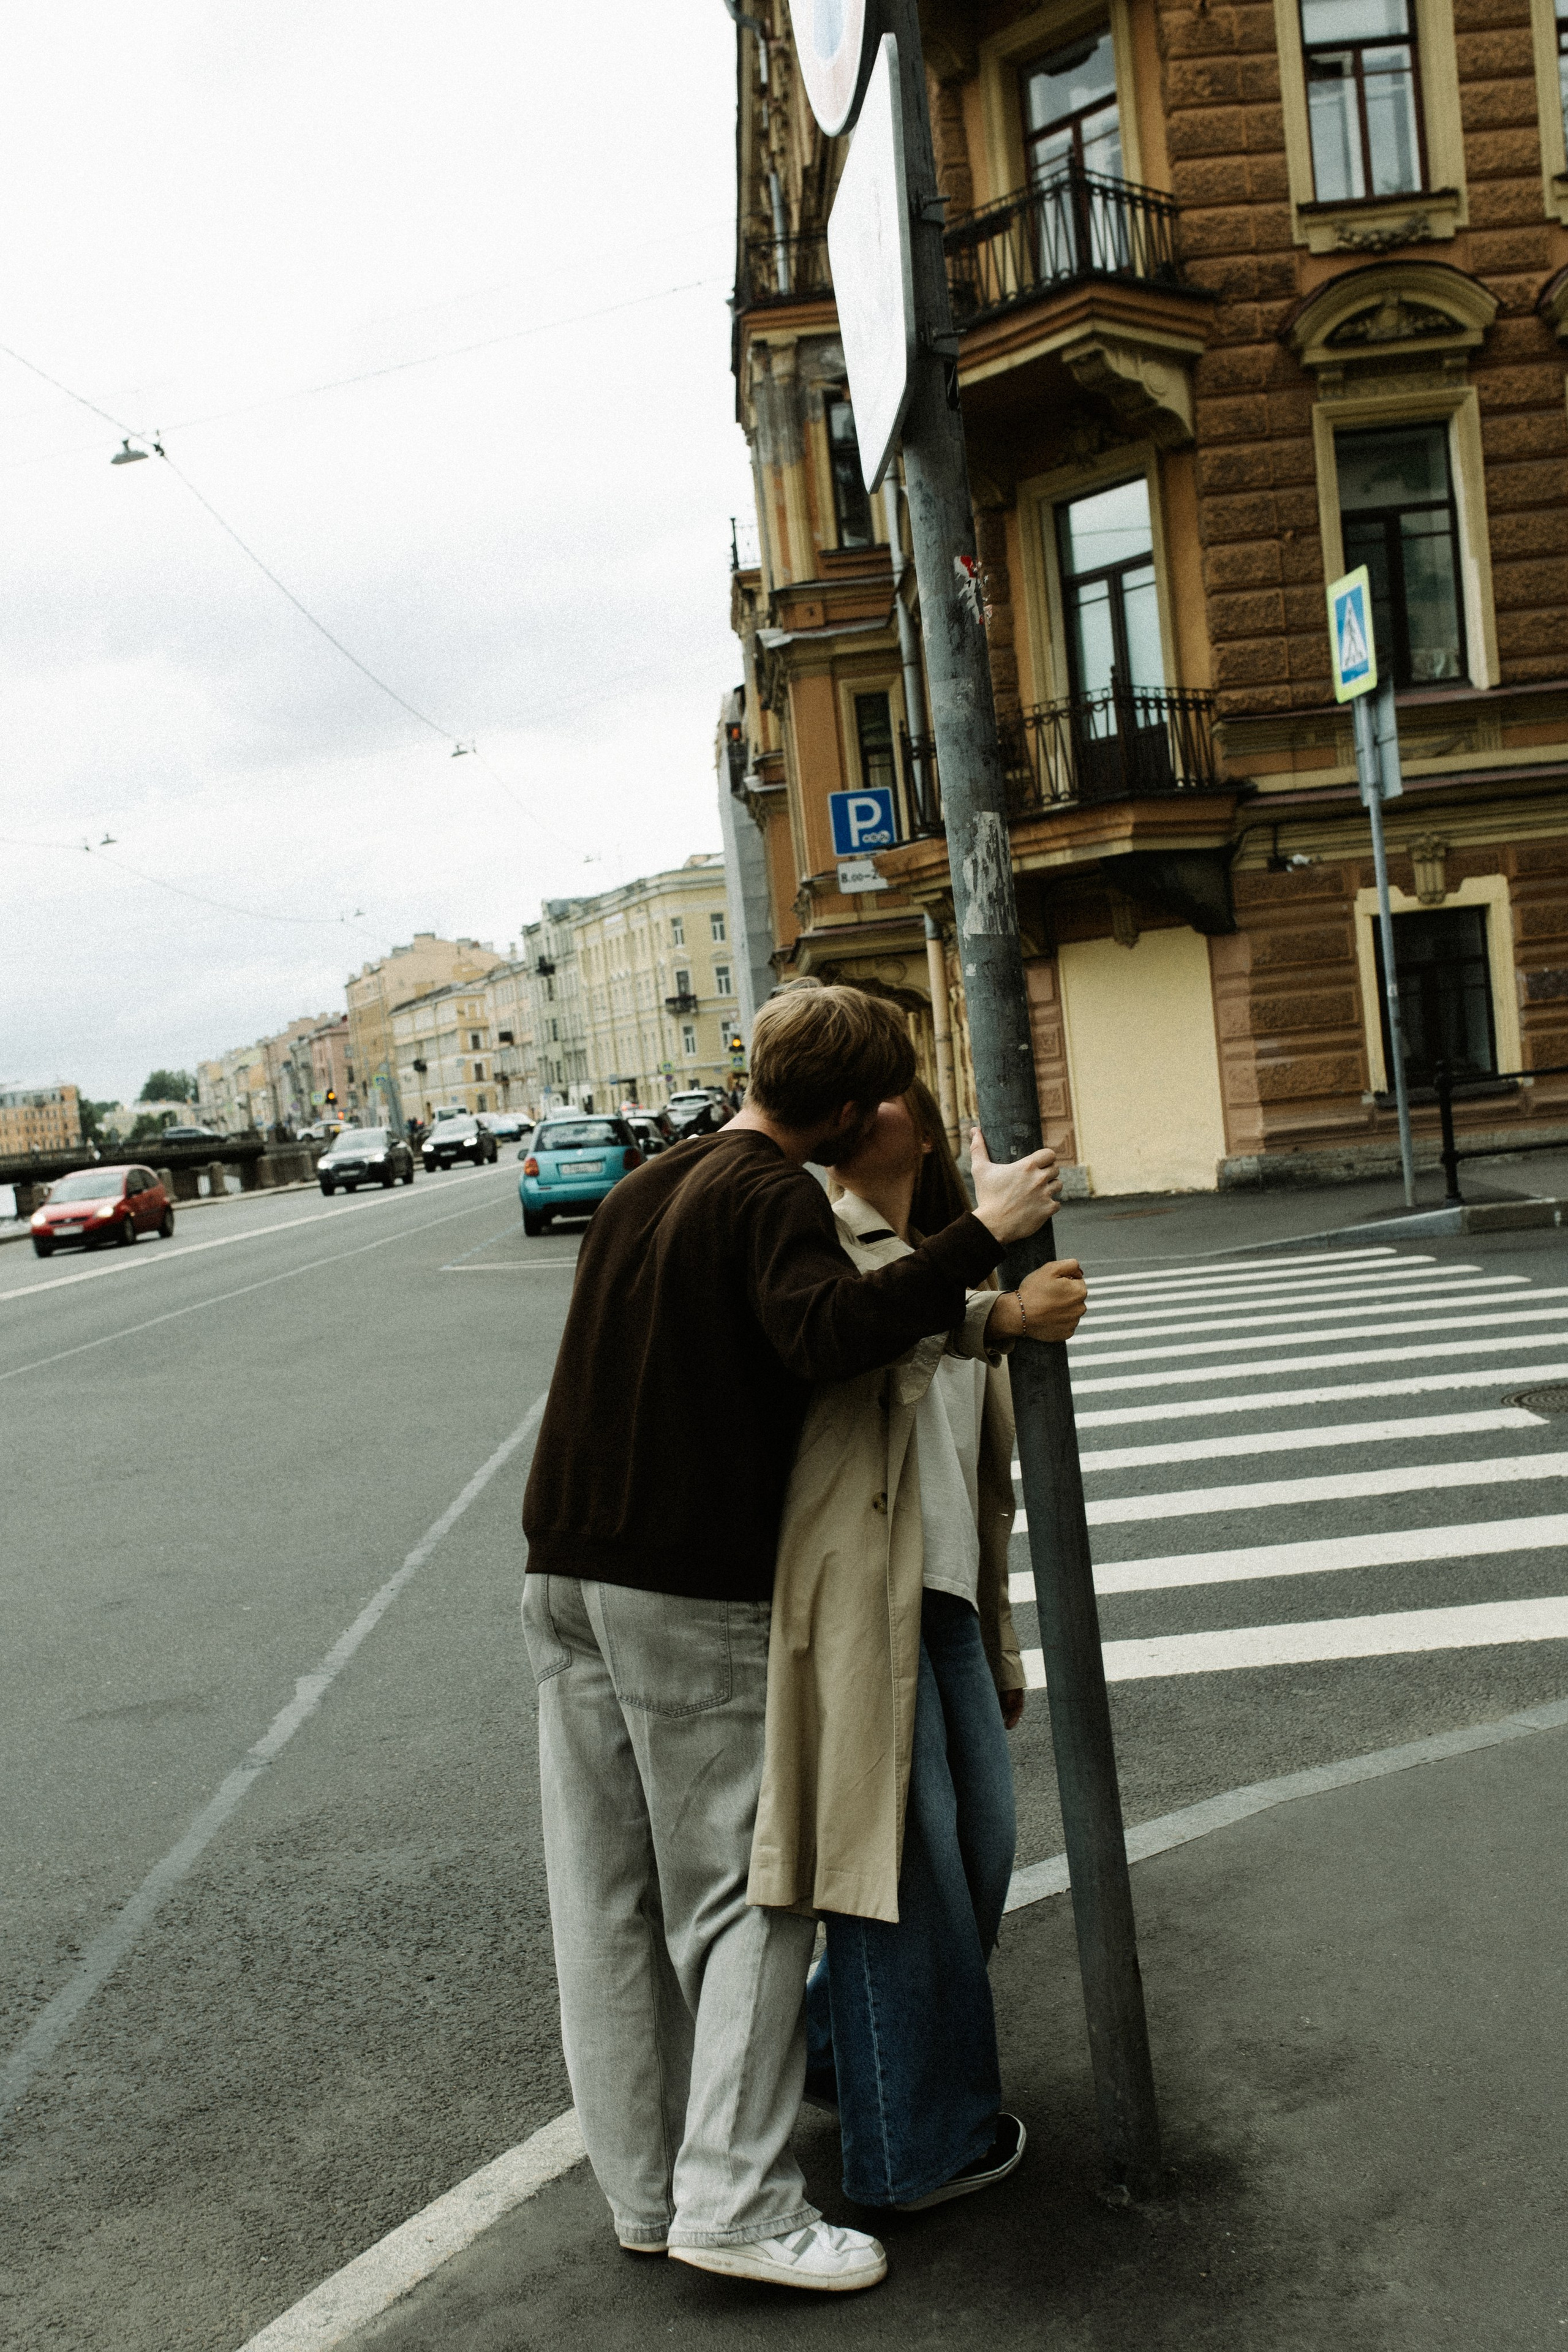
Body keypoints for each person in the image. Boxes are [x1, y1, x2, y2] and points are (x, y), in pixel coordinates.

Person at [519, 985, 1074, 2294]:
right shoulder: (770, 1192)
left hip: (564, 1570)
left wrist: (977, 1310)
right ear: (845, 1108)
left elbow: (791, 1325)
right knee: (749, 1900)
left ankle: (647, 2195)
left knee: (606, 1901)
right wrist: (984, 1238)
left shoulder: (652, 1185)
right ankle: (737, 2205)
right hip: (687, 1586)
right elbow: (827, 1329)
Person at [750, 1081, 1087, 2214]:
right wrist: (993, 1285)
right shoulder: (825, 1237)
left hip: (945, 1600)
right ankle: (913, 2148)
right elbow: (863, 1330)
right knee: (905, 1876)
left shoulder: (934, 1261)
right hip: (868, 1603)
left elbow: (977, 1489)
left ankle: (834, 2049)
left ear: (923, 1129)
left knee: (978, 1853)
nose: (866, 1105)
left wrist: (999, 1641)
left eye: (892, 1092)